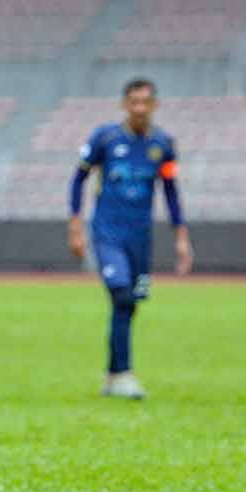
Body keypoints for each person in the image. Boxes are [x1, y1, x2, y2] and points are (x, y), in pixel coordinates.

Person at [68, 78, 193, 399]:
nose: (139, 108)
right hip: (107, 233)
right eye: (133, 102)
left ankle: (113, 375)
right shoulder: (105, 138)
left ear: (154, 105)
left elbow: (171, 192)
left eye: (145, 102)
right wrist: (76, 227)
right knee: (122, 295)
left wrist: (181, 237)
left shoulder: (162, 145)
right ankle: (124, 374)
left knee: (128, 305)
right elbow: (78, 180)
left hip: (140, 238)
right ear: (125, 104)